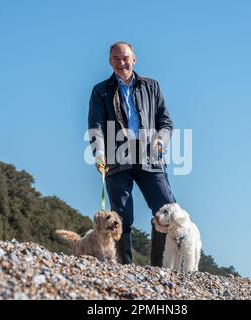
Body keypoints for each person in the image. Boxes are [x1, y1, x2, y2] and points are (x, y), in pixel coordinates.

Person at [88, 41, 176, 266]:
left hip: (150, 159)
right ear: (110, 62)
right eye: (116, 59)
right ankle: (125, 269)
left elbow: (165, 122)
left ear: (134, 59)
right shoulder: (101, 90)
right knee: (121, 218)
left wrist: (160, 140)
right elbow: (96, 126)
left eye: (125, 58)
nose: (121, 63)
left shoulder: (151, 86)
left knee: (166, 210)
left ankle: (158, 269)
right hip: (117, 161)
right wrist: (99, 153)